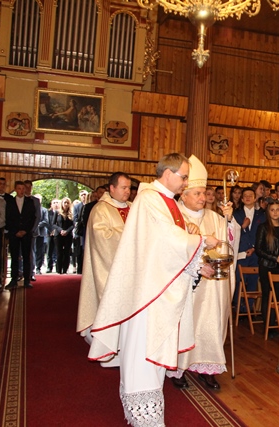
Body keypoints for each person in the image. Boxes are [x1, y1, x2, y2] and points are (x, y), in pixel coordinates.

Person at [87, 153, 218, 427]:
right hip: (147, 295)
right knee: (144, 353)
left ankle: (149, 414)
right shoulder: (150, 199)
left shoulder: (165, 201)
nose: (185, 183)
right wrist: (202, 240)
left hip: (160, 290)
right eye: (183, 177)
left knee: (156, 352)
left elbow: (167, 251)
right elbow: (166, 240)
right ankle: (144, 417)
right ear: (168, 174)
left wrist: (197, 266)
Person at [168, 155, 239, 390]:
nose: (202, 197)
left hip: (213, 288)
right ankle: (178, 367)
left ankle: (207, 367)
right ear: (183, 194)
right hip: (187, 284)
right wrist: (197, 264)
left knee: (211, 323)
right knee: (184, 324)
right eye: (197, 193)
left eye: (204, 193)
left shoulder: (215, 217)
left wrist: (229, 220)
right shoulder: (174, 217)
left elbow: (229, 244)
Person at [77, 172, 132, 365]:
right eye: (123, 188)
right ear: (112, 188)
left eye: (129, 188)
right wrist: (130, 235)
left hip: (132, 272)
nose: (127, 192)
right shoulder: (101, 209)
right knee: (111, 308)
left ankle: (126, 352)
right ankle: (107, 352)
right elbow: (102, 237)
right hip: (108, 269)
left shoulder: (133, 207)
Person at [256, 198, 279, 337]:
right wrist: (275, 258)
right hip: (267, 266)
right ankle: (268, 326)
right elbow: (259, 249)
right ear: (268, 212)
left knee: (276, 295)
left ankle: (273, 323)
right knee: (267, 295)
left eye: (278, 210)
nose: (275, 212)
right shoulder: (263, 227)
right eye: (272, 210)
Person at [5, 181, 36, 290]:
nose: (22, 191)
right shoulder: (10, 202)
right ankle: (14, 279)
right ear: (15, 189)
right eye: (19, 188)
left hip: (26, 234)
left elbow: (33, 218)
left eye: (23, 189)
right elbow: (7, 218)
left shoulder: (30, 202)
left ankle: (27, 280)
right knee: (14, 257)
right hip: (14, 234)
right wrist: (15, 231)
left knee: (26, 257)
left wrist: (25, 230)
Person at [54, 197, 74, 274]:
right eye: (64, 202)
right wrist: (60, 230)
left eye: (67, 203)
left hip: (68, 235)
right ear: (62, 203)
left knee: (66, 253)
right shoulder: (57, 213)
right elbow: (53, 224)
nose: (66, 204)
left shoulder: (71, 213)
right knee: (59, 253)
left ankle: (65, 269)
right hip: (58, 235)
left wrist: (67, 231)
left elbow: (73, 225)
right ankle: (59, 270)